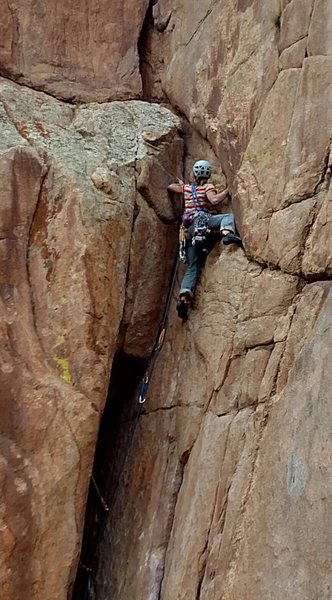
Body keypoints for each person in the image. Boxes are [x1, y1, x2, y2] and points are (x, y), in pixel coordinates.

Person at [168, 160, 242, 321]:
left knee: (193, 265)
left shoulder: (187, 188)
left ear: (194, 174)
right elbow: (214, 200)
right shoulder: (207, 187)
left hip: (187, 231)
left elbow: (171, 188)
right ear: (208, 175)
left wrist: (182, 186)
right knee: (227, 217)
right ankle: (227, 233)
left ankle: (184, 297)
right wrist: (228, 190)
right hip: (203, 223)